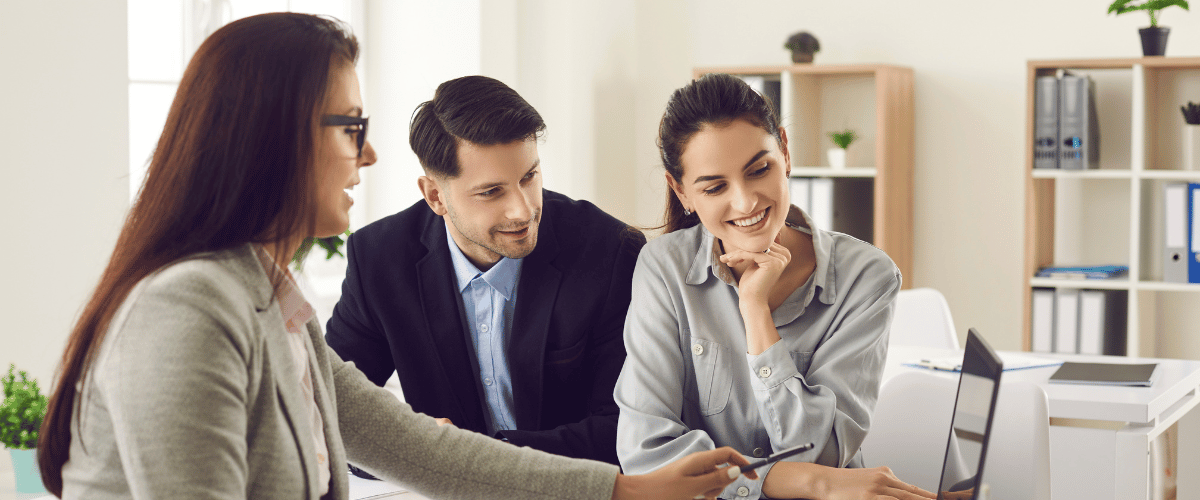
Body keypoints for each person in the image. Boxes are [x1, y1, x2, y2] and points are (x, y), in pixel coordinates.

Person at [37, 14, 753, 499]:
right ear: (271, 136)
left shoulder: (267, 297)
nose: (367, 153)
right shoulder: (188, 308)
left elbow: (416, 448)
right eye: (351, 126)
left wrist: (626, 489)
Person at [613, 73, 936, 500]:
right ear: (682, 191)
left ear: (784, 150)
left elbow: (824, 455)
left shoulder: (867, 276)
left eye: (759, 169)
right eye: (714, 187)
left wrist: (755, 313)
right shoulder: (664, 268)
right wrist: (795, 482)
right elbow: (647, 450)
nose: (746, 202)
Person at [324, 75, 641, 466]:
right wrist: (415, 448)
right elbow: (329, 414)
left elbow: (627, 428)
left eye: (529, 177)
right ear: (435, 196)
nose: (523, 210)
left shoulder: (609, 250)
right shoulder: (379, 260)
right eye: (491, 192)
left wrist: (466, 458)